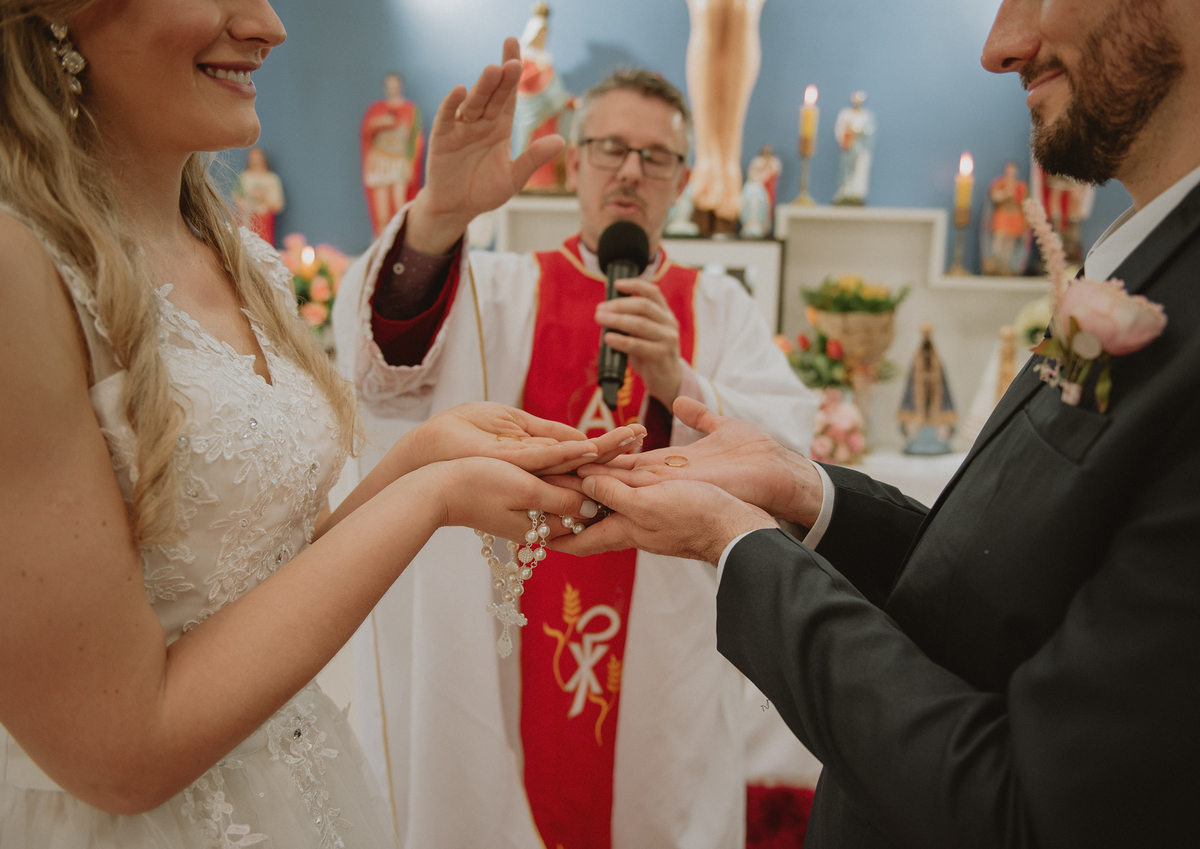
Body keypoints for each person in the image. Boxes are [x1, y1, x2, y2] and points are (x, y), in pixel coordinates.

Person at [0, 4, 638, 847]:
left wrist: (421, 454)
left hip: (299, 790)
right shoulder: (19, 265)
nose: (269, 25)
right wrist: (433, 495)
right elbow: (121, 755)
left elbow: (263, 579)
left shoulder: (230, 250)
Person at [564, 0, 1200, 844]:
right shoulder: (1148, 259)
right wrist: (806, 490)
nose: (999, 46)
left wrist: (737, 541)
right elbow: (1000, 592)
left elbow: (1032, 808)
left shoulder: (717, 298)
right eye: (609, 149)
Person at [332, 42, 816, 849]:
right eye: (610, 148)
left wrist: (680, 379)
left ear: (681, 180)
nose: (630, 171)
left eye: (655, 156)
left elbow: (785, 457)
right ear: (578, 161)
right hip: (510, 618)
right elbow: (391, 368)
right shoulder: (500, 290)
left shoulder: (719, 307)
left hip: (663, 636)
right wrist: (439, 218)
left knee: (657, 796)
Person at [512, 2, 575, 192]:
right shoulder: (525, 58)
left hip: (549, 116)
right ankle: (529, 180)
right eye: (540, 33)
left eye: (546, 34)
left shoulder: (545, 59)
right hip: (532, 114)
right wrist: (540, 75)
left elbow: (555, 87)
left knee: (550, 147)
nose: (543, 37)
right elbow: (526, 84)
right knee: (531, 149)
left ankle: (550, 180)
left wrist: (564, 100)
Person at [361, 72, 425, 237]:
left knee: (400, 206)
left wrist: (411, 164)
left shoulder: (410, 110)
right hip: (380, 159)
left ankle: (401, 241)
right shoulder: (377, 109)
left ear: (400, 86)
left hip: (399, 160)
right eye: (389, 85)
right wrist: (382, 122)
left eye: (395, 84)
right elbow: (367, 130)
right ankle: (382, 243)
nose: (392, 88)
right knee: (381, 212)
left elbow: (416, 139)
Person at [234, 146, 285, 246]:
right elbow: (237, 200)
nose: (255, 160)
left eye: (258, 156)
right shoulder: (243, 178)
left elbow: (278, 205)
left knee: (264, 247)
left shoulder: (271, 179)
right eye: (252, 157)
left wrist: (263, 198)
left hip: (264, 221)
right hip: (247, 221)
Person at [832, 91, 876, 205]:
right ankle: (844, 193)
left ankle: (857, 195)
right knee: (846, 173)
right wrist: (845, 139)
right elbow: (839, 129)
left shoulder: (866, 115)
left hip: (861, 149)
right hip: (848, 148)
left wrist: (859, 132)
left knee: (859, 172)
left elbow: (869, 130)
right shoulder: (845, 114)